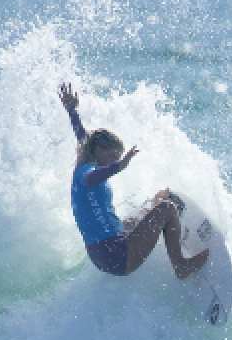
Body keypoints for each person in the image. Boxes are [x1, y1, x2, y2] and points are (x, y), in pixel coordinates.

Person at [58, 82, 208, 279]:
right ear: (97, 150)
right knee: (167, 208)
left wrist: (71, 110)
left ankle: (162, 219)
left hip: (101, 255)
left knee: (143, 214)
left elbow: (83, 136)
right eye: (111, 156)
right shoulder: (87, 173)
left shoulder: (85, 157)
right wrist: (118, 167)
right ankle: (180, 265)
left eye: (117, 157)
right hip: (118, 256)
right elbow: (92, 178)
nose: (113, 160)